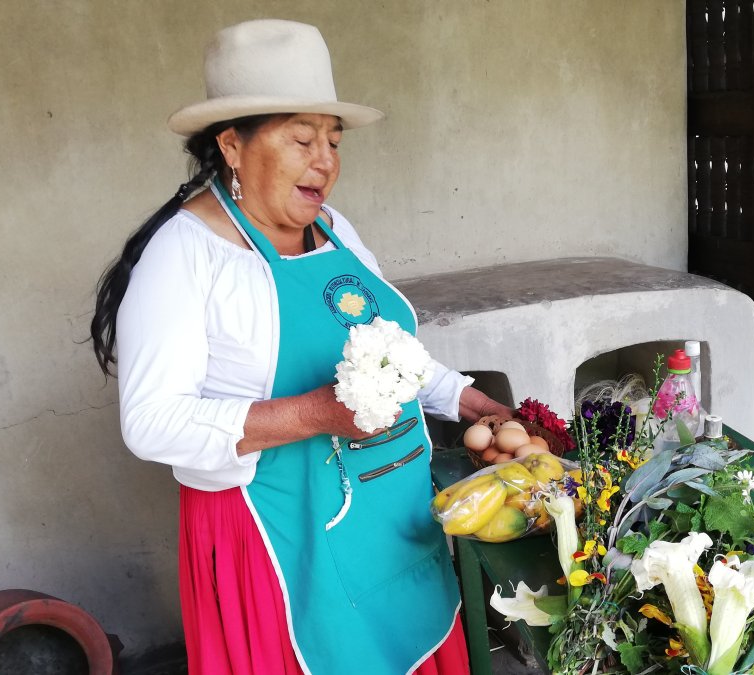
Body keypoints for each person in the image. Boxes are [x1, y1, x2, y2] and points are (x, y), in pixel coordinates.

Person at [89, 19, 511, 675]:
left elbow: (388, 349)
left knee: (406, 639)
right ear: (232, 145)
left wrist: (459, 395)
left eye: (334, 141)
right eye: (302, 139)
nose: (326, 161)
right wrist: (313, 414)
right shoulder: (184, 255)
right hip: (278, 536)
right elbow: (151, 421)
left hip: (388, 522)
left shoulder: (334, 230)